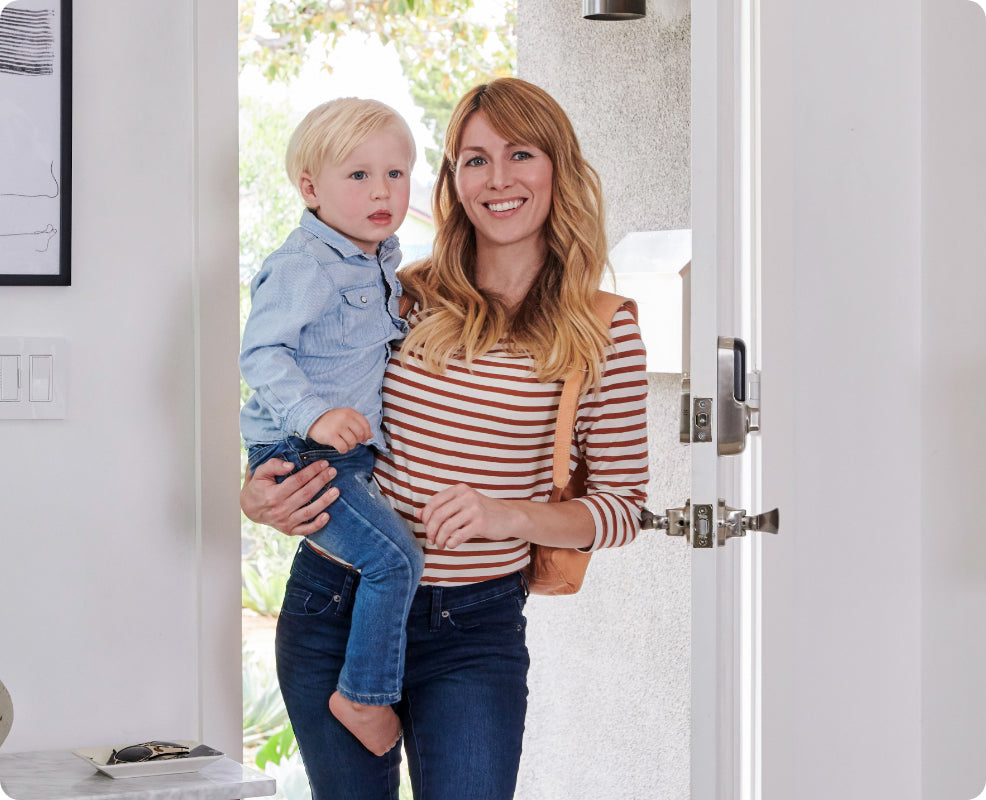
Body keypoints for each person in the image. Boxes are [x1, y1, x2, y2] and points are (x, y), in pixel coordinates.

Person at [241, 77, 649, 800]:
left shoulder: (603, 326)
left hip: (472, 628)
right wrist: (261, 493)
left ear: (558, 165)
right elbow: (298, 387)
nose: (497, 180)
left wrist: (510, 515)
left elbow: (623, 507)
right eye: (473, 159)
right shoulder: (402, 293)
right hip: (336, 603)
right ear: (454, 179)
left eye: (520, 154)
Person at [239, 97, 425, 757]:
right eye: (359, 175)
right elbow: (261, 352)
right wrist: (315, 415)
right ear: (310, 189)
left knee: (390, 557)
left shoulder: (377, 262)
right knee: (395, 559)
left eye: (396, 174)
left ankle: (365, 685)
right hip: (302, 450)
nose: (382, 190)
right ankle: (363, 694)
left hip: (339, 458)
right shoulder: (305, 264)